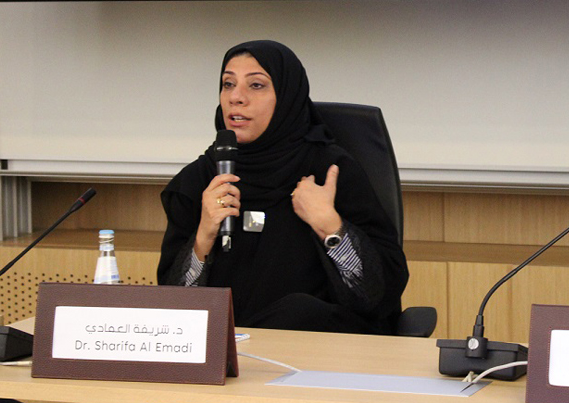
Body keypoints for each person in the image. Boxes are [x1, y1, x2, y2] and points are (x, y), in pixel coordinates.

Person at [157, 40, 409, 334]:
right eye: (228, 84)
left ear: (287, 97)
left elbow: (377, 296)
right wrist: (203, 236)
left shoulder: (330, 172)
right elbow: (174, 309)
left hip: (318, 351)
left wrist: (331, 226)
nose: (236, 98)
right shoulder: (202, 179)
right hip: (227, 353)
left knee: (298, 312)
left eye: (256, 86)